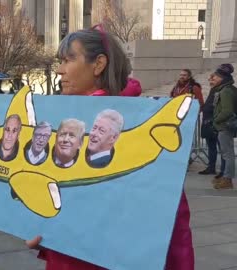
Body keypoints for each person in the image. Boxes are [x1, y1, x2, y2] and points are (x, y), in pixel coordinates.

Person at [26, 27, 194, 270]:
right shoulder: (61, 125)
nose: (60, 69)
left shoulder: (139, 128)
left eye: (69, 59)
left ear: (99, 64)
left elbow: (170, 221)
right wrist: (41, 233)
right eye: (60, 61)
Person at [212, 64, 237, 189]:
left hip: (225, 126)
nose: (213, 78)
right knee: (226, 153)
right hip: (224, 125)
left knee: (228, 154)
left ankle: (228, 179)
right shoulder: (226, 89)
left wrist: (216, 120)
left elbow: (227, 111)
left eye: (216, 76)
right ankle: (226, 177)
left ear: (222, 78)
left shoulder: (226, 91)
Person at [198, 72, 226, 179]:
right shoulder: (213, 90)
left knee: (222, 148)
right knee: (211, 146)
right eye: (210, 79)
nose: (211, 81)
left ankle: (224, 170)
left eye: (213, 79)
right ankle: (211, 167)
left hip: (217, 123)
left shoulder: (221, 90)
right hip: (208, 122)